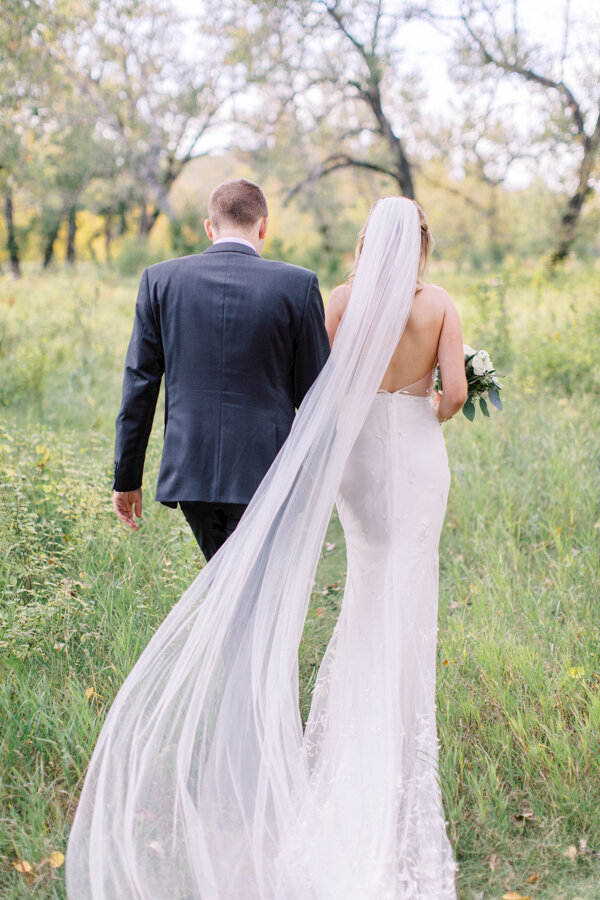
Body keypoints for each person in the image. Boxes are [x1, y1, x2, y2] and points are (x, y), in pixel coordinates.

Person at [67, 197, 466, 899]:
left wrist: (126, 478)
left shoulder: (321, 295)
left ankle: (254, 756)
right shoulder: (382, 298)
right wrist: (405, 415)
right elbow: (417, 393)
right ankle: (289, 749)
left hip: (272, 470)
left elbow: (313, 387)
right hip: (357, 462)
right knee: (360, 597)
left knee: (303, 597)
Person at [111, 178, 330, 560]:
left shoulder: (160, 280)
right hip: (268, 470)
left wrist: (126, 478)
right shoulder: (299, 285)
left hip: (190, 471)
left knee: (224, 582)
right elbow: (315, 395)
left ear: (209, 228)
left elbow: (140, 385)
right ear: (264, 226)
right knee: (251, 589)